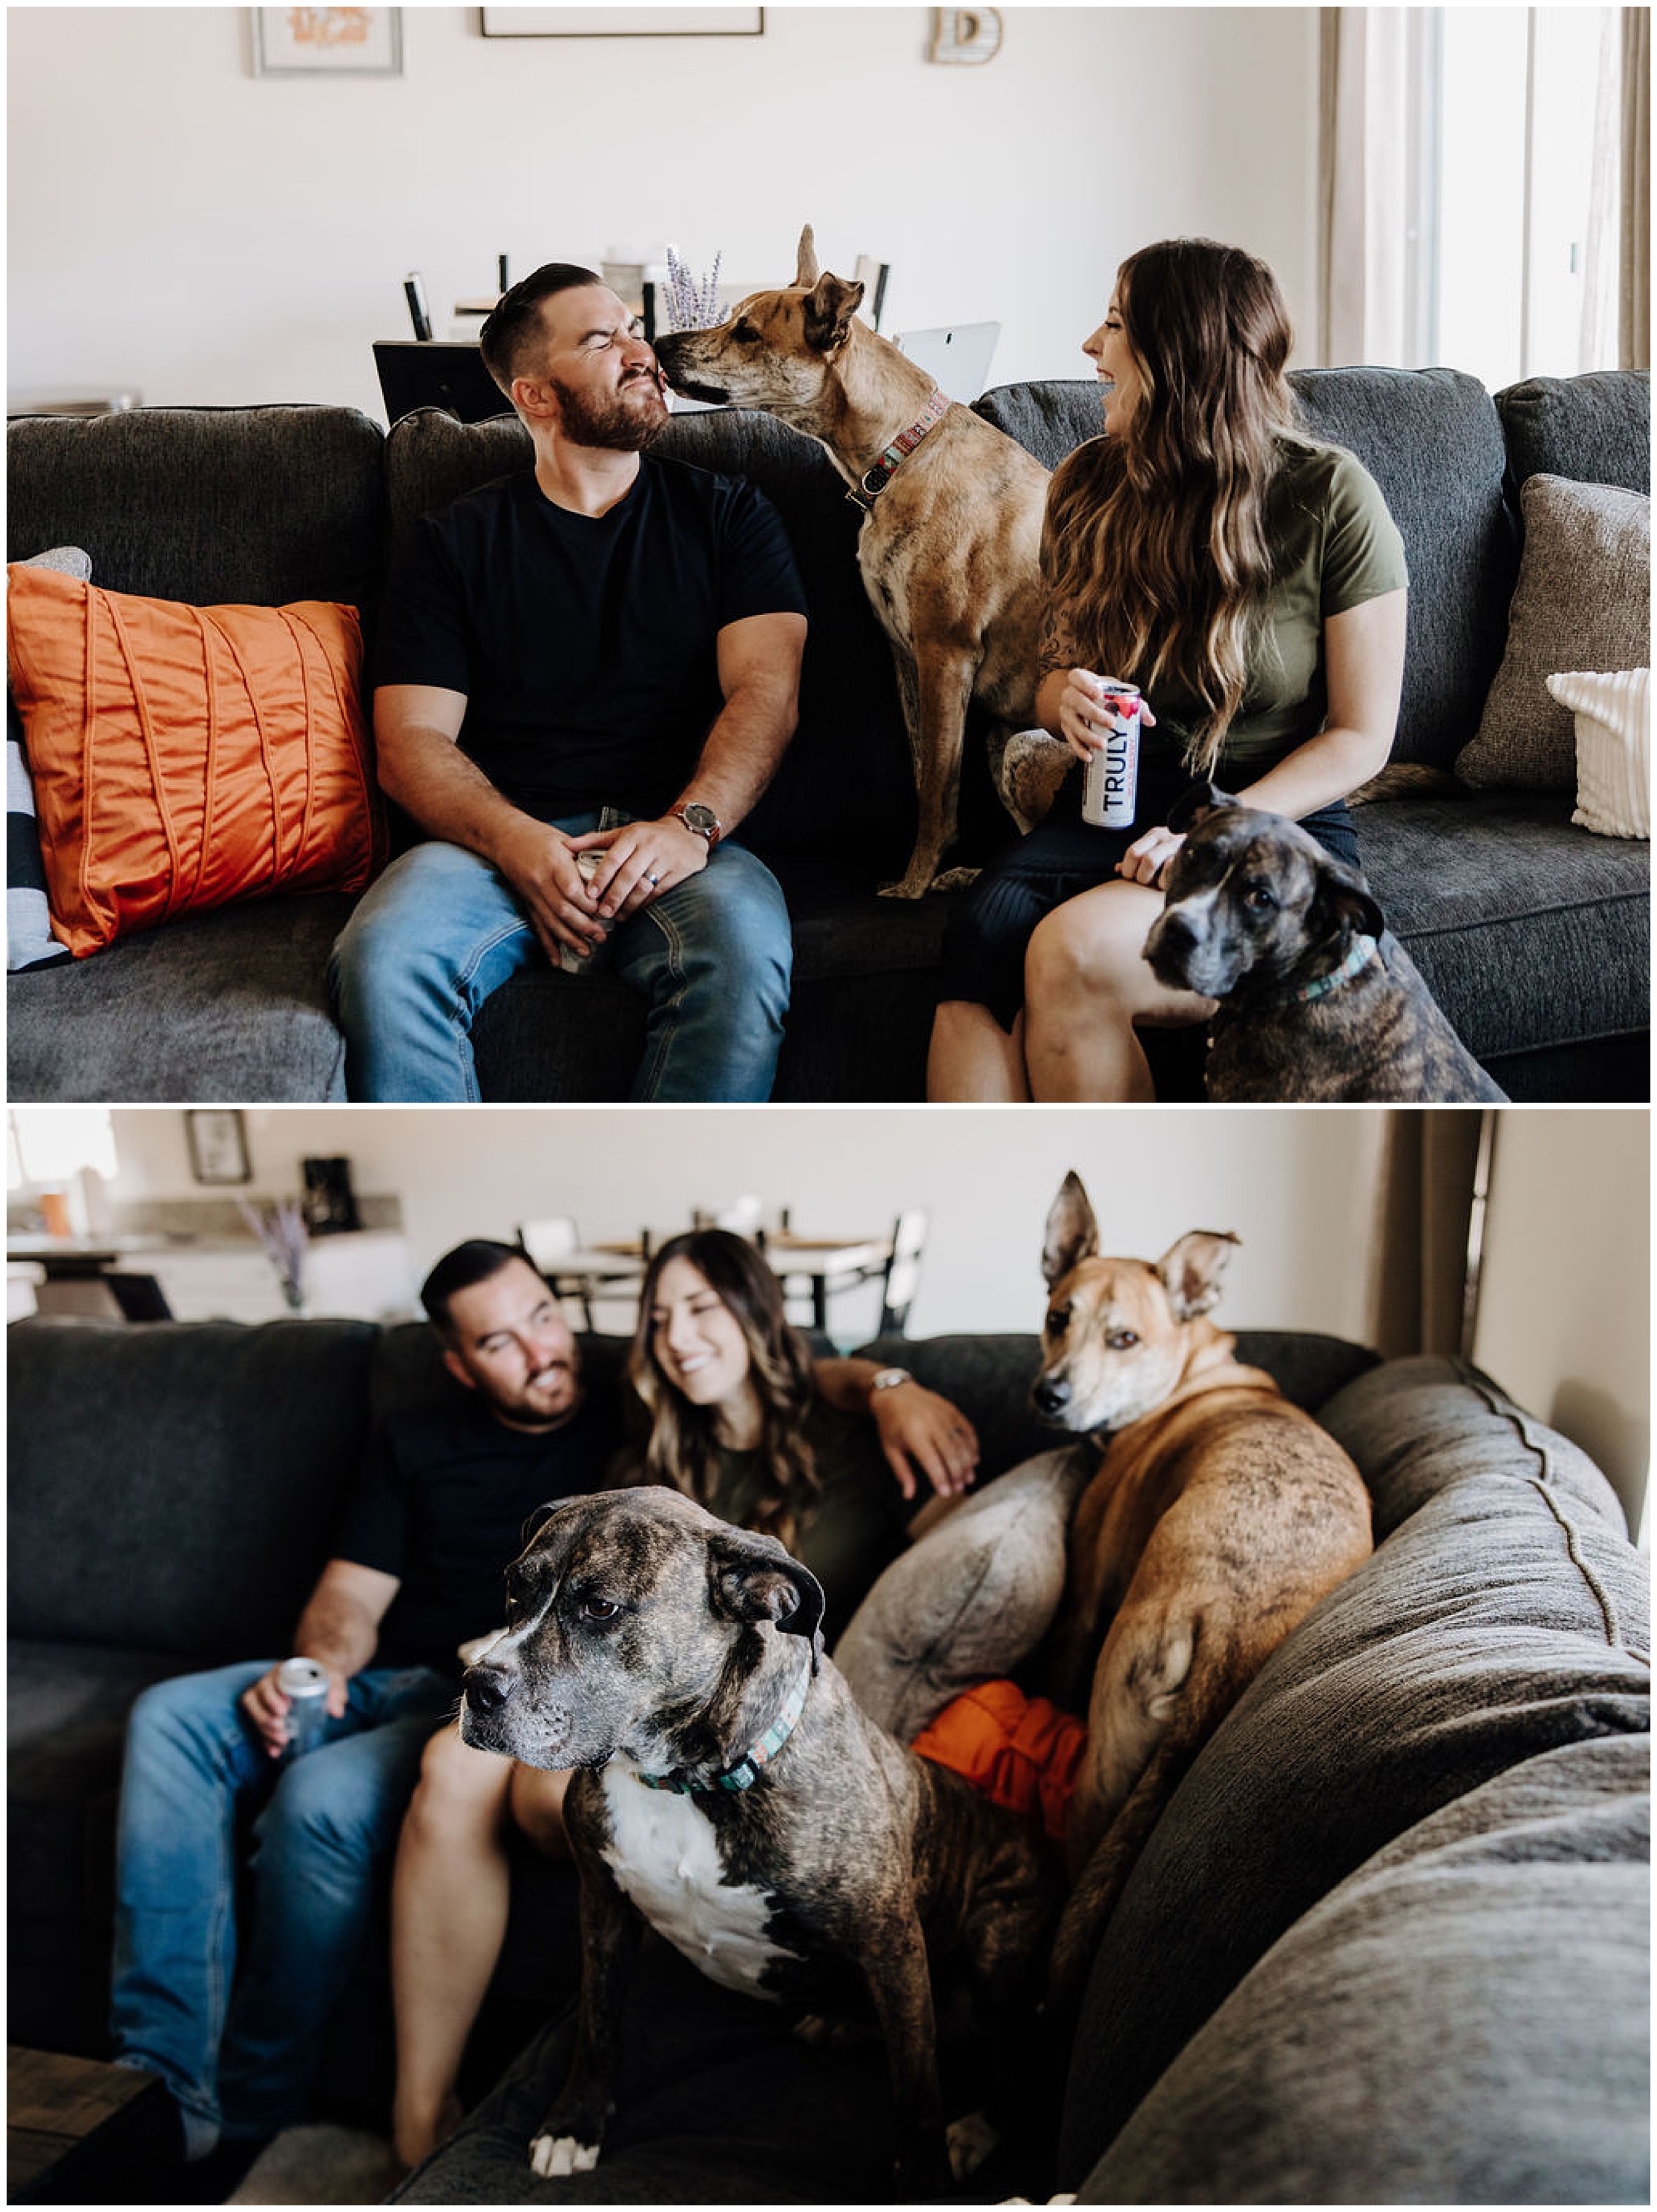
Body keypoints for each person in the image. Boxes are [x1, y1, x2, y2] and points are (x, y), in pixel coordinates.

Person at [388, 1229, 981, 2170]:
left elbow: (958, 1538)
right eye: (657, 1317)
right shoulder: (653, 1451)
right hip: (643, 1721)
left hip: (779, 1720)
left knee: (516, 1787)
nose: (676, 1335)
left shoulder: (848, 1437)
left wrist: (887, 1385)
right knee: (480, 1776)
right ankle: (424, 2110)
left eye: (702, 1307)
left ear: (757, 1312)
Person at [106, 1241, 623, 2182]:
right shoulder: (415, 1437)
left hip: (467, 1700)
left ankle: (256, 2106)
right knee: (168, 1716)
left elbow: (764, 1358)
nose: (541, 1351)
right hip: (380, 1676)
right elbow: (350, 1593)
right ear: (461, 1363)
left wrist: (882, 1380)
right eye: (500, 1342)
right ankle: (163, 2089)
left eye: (544, 1316)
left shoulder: (627, 1416)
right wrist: (315, 1665)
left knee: (320, 1801)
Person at [927, 237, 1409, 1101]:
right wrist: (1059, 699)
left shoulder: (1331, 496)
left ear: (1179, 357)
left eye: (1114, 326)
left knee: (1067, 953)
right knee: (973, 952)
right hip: (1114, 798)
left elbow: (1362, 736)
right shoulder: (1085, 483)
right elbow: (1052, 678)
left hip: (1271, 823)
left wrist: (1214, 829)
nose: (1089, 349)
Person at [329, 261, 810, 1103]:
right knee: (382, 956)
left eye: (633, 328)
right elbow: (411, 744)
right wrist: (517, 841)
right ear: (537, 397)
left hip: (688, 841)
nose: (642, 351)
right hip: (497, 843)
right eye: (601, 340)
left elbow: (765, 694)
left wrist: (687, 828)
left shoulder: (731, 514)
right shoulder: (452, 543)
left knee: (743, 952)